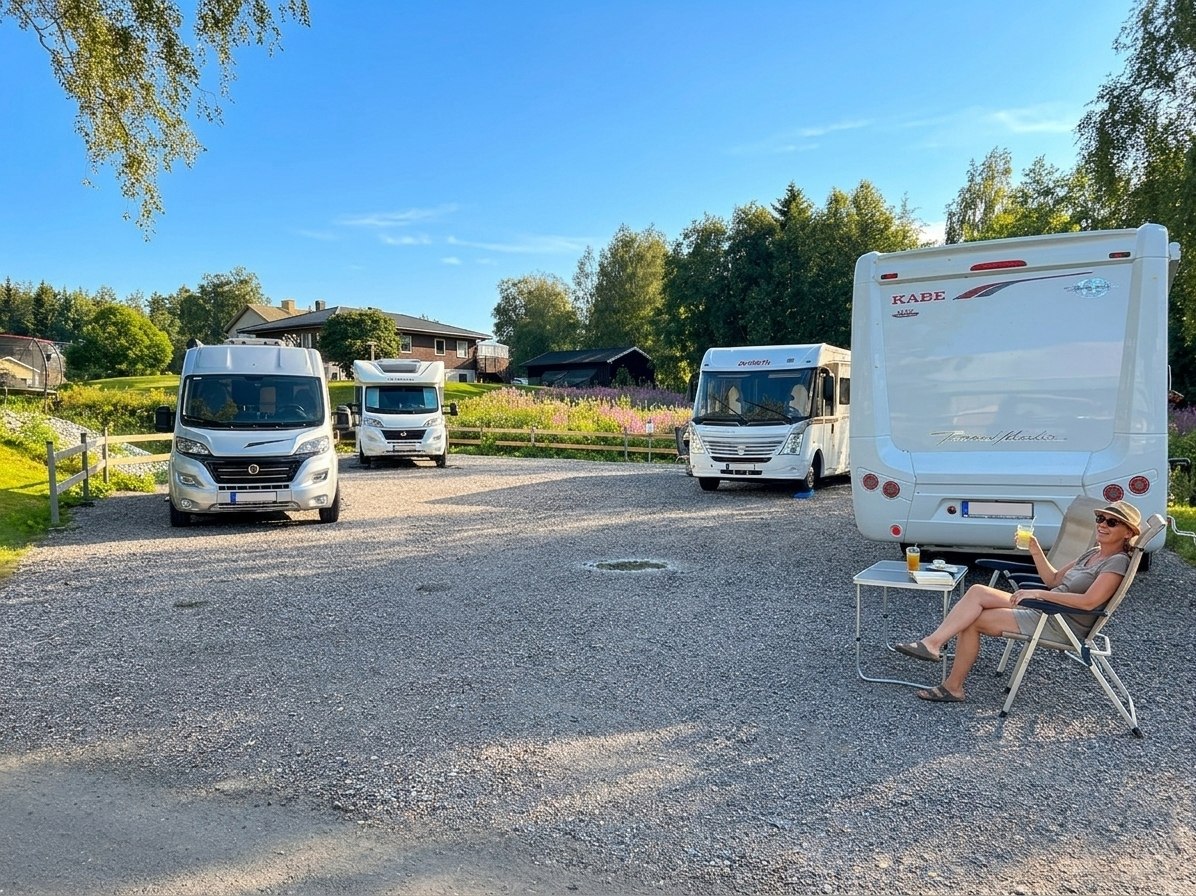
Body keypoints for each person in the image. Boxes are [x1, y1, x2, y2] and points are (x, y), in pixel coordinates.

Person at [893, 500, 1142, 703]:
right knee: (978, 592)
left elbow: (1089, 602)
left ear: (1128, 533)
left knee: (972, 621)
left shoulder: (1116, 562)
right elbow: (1053, 578)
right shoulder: (1092, 553)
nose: (1102, 525)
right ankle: (934, 646)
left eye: (1112, 522)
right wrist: (1034, 550)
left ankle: (951, 683)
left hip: (1058, 620)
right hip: (1047, 609)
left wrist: (1039, 594)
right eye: (1100, 519)